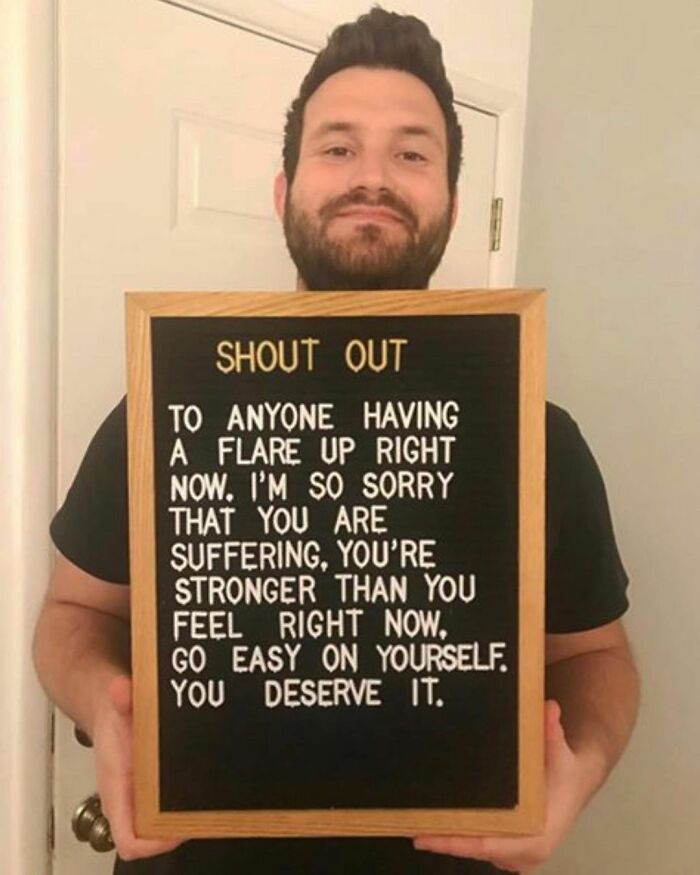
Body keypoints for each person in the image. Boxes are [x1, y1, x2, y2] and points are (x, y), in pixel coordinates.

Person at [32, 7, 639, 874]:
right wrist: (105, 696)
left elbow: (599, 657)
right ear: (285, 191)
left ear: (454, 203)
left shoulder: (537, 436)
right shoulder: (166, 408)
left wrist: (582, 765)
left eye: (413, 152)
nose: (373, 177)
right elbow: (71, 613)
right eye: (338, 146)